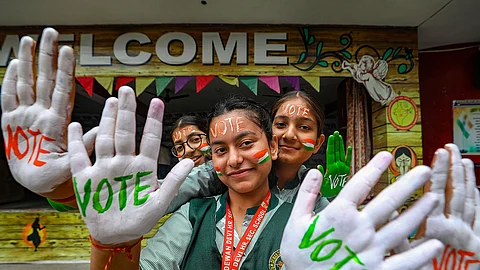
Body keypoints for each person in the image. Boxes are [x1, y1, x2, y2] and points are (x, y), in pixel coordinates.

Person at [270, 91, 352, 209]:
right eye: (281, 124)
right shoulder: (246, 175)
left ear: (317, 143)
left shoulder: (315, 190)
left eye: (304, 127)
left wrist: (334, 197)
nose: (289, 135)